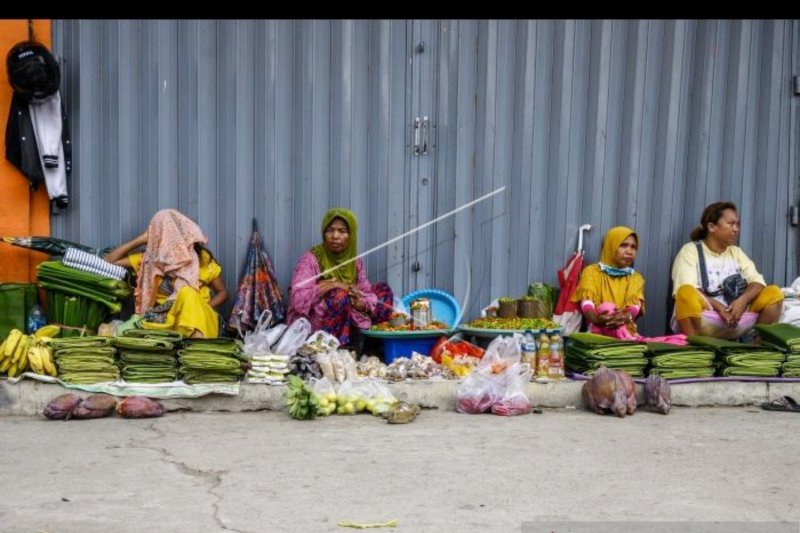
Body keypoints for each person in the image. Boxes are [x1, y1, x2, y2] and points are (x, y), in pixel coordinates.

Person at [105, 209, 228, 338]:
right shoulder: (149, 261)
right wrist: (141, 239)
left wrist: (202, 308)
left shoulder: (202, 260)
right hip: (165, 319)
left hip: (199, 320)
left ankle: (196, 343)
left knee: (187, 293)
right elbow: (109, 260)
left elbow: (223, 293)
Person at [671, 201, 783, 338]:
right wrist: (720, 308)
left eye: (737, 224)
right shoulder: (690, 250)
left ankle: (757, 348)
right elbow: (687, 288)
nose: (736, 229)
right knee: (685, 293)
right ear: (711, 227)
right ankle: (696, 348)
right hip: (706, 320)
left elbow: (758, 281)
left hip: (735, 319)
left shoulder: (736, 252)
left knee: (774, 294)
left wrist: (742, 301)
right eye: (731, 224)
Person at [286, 207, 393, 345]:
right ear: (324, 233)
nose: (335, 236)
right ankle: (328, 348)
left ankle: (369, 345)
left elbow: (365, 291)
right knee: (339, 296)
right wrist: (331, 286)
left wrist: (360, 303)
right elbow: (298, 300)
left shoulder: (355, 262)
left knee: (383, 292)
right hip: (315, 322)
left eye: (342, 231)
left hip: (349, 313)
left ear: (351, 235)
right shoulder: (311, 259)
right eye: (330, 230)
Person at [571, 226, 645, 338]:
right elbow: (587, 302)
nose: (629, 251)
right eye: (623, 245)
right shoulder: (592, 272)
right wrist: (596, 319)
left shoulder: (635, 278)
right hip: (597, 333)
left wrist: (625, 317)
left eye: (633, 247)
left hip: (625, 334)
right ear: (610, 246)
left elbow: (635, 306)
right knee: (607, 307)